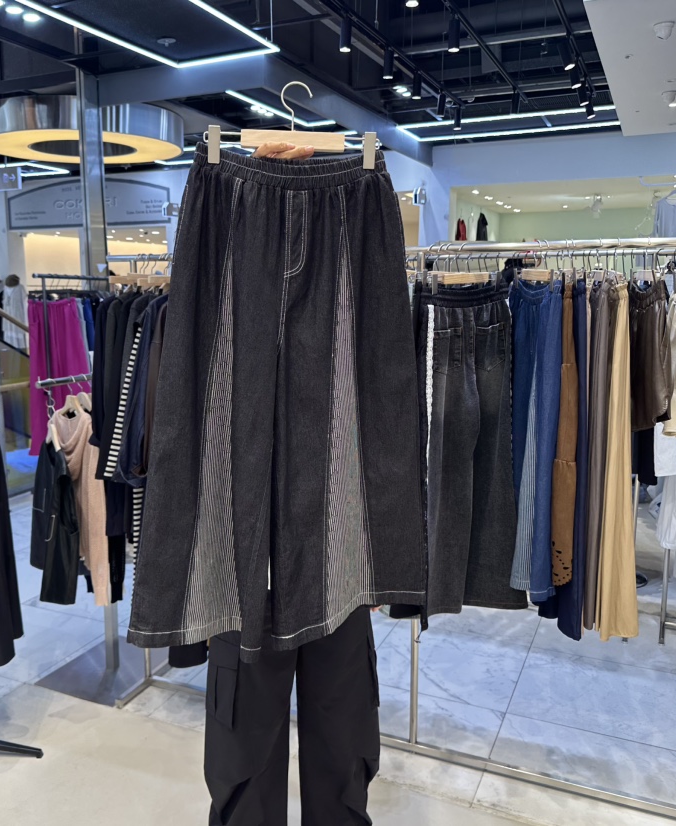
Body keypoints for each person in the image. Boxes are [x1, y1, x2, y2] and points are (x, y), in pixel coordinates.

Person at [202, 141, 384, 826]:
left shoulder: (359, 210)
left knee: (334, 741)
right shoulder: (225, 208)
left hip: (334, 549)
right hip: (254, 556)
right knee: (251, 752)